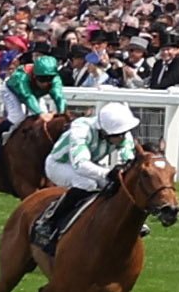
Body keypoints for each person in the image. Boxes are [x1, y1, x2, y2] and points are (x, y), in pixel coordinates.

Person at [30, 101, 139, 253]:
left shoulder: (120, 130)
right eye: (119, 135)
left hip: (90, 164)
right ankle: (48, 221)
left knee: (118, 184)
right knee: (87, 183)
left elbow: (129, 156)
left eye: (124, 133)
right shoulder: (81, 129)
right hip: (60, 165)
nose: (123, 138)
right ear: (105, 132)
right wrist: (107, 173)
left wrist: (125, 168)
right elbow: (80, 164)